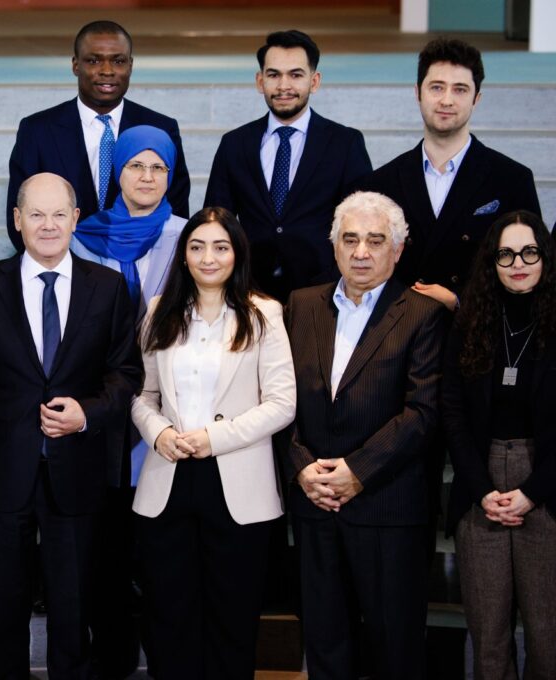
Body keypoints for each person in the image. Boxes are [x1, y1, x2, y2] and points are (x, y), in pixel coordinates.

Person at [0, 172, 142, 680]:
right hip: (2, 472)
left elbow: (127, 373)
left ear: (76, 219)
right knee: (6, 599)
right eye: (36, 214)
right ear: (16, 221)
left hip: (78, 470)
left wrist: (89, 413)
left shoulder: (106, 288)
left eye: (59, 214)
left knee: (73, 603)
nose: (48, 225)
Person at [283, 191, 447, 680]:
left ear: (397, 250)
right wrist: (301, 466)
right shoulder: (301, 304)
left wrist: (357, 471)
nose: (361, 252)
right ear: (333, 246)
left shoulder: (423, 313)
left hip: (388, 507)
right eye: (350, 239)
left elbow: (422, 411)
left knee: (393, 646)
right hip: (316, 505)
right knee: (325, 642)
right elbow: (278, 397)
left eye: (376, 241)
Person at [131, 207, 295, 679]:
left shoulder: (265, 313)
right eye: (197, 246)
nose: (208, 257)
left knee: (232, 620)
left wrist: (213, 438)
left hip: (237, 486)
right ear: (183, 255)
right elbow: (141, 394)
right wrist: (158, 431)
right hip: (168, 482)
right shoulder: (160, 308)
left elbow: (282, 403)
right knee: (169, 618)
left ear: (237, 253)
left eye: (220, 246)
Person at [69, 123, 186, 676]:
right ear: (116, 171)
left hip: (168, 409)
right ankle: (110, 658)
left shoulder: (190, 238)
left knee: (160, 552)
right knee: (104, 549)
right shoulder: (81, 236)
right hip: (100, 407)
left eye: (158, 167)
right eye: (136, 165)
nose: (146, 176)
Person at [442, 210, 556, 680]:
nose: (518, 263)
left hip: (546, 484)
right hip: (481, 484)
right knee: (487, 635)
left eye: (529, 252)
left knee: (548, 635)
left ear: (545, 257)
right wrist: (482, 488)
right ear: (492, 262)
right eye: (505, 254)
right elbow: (452, 411)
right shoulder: (472, 321)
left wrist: (532, 492)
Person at [362, 37, 541, 312]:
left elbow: (531, 270)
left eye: (460, 89)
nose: (447, 100)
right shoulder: (382, 183)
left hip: (479, 334)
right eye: (436, 87)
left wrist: (458, 301)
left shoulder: (512, 179)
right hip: (399, 335)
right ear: (417, 92)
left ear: (476, 98)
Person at [204, 29, 371, 303]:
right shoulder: (235, 143)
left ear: (314, 81)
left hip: (322, 291)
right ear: (260, 81)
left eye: (295, 75)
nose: (283, 86)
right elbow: (218, 219)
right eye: (273, 75)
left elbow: (360, 219)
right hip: (249, 291)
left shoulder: (345, 143)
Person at [7, 20, 190, 253]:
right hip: (66, 269)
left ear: (131, 65)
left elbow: (175, 207)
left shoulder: (160, 128)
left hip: (144, 265)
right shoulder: (37, 130)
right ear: (75, 65)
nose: (107, 71)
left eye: (118, 61)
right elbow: (20, 215)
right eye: (93, 60)